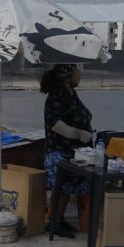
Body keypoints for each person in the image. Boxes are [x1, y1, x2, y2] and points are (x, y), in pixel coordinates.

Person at [40, 63, 93, 238]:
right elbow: (54, 123)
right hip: (59, 152)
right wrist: (78, 133)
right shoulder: (56, 96)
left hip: (73, 151)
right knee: (60, 186)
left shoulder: (71, 93)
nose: (80, 75)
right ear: (68, 76)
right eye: (78, 72)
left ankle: (59, 220)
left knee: (67, 186)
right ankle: (53, 222)